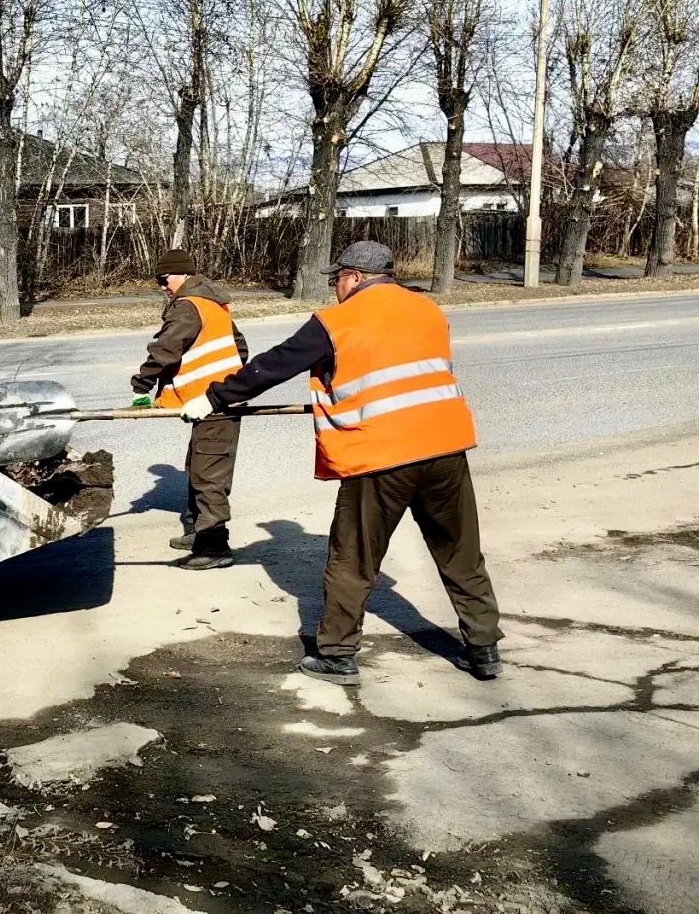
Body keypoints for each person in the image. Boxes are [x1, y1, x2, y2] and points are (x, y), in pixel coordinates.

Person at [179, 240, 502, 683]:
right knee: (460, 553)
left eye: (336, 279)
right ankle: (484, 648)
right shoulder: (428, 310)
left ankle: (337, 654)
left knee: (352, 559)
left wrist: (214, 398)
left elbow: (273, 366)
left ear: (354, 277)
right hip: (446, 448)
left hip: (381, 455)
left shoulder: (337, 320)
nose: (335, 287)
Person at [132, 249, 248, 571]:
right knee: (198, 467)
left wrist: (142, 383)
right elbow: (240, 347)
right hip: (212, 402)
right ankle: (198, 532)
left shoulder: (188, 305)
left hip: (216, 404)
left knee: (209, 476)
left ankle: (214, 548)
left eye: (164, 279)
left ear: (182, 275)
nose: (162, 286)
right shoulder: (213, 303)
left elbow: (166, 348)